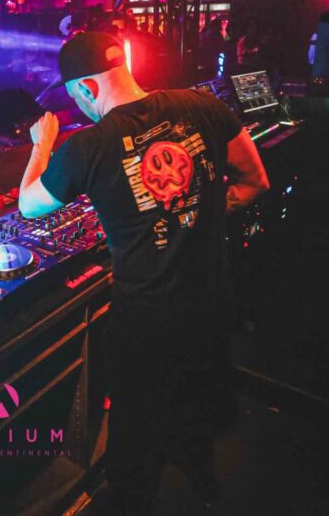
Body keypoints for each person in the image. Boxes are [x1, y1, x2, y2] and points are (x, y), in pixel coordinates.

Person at [17, 32, 270, 513]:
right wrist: (196, 217)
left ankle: (131, 501)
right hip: (214, 300)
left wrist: (41, 146)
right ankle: (203, 484)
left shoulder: (88, 146)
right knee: (198, 398)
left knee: (134, 432)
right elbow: (255, 182)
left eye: (77, 98)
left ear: (87, 88)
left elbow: (28, 205)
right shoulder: (203, 105)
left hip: (147, 319)